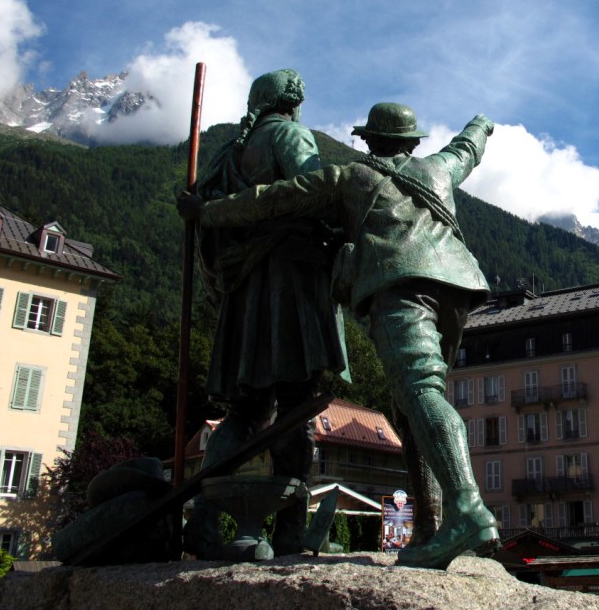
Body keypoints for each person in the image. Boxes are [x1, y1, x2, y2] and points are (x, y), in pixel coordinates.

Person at [180, 102, 497, 570]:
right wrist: (481, 121)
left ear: (369, 141)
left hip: (399, 284)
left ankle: (466, 509)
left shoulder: (348, 177)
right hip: (456, 290)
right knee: (410, 410)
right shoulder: (439, 168)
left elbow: (271, 199)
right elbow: (467, 147)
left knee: (421, 393)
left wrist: (206, 212)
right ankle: (430, 527)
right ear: (412, 142)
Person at [184, 69, 350, 560]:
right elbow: (314, 190)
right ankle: (290, 531)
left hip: (244, 291)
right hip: (291, 282)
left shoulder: (227, 156)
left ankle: (204, 521)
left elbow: (211, 227)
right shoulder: (290, 135)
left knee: (246, 410)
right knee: (296, 407)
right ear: (291, 104)